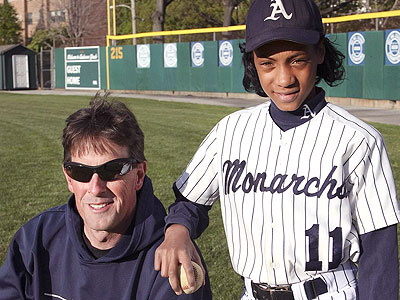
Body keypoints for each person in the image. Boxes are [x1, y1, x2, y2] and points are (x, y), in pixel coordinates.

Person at [154, 0, 400, 299]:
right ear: (252, 62)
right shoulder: (230, 131)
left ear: (320, 52)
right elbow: (190, 203)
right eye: (267, 64)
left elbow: (379, 251)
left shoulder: (358, 140)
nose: (283, 79)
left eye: (297, 60)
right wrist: (178, 229)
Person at [0, 94, 212, 300]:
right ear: (68, 178)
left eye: (112, 170)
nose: (96, 188)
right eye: (81, 172)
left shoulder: (170, 259)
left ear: (139, 174)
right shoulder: (35, 239)